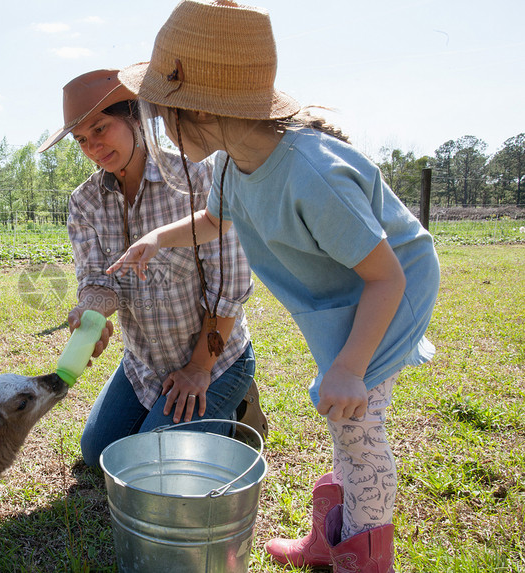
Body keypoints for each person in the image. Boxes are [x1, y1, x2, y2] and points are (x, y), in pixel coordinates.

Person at [108, 2, 440, 571]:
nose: (161, 127)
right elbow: (214, 221)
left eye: (165, 114)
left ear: (201, 107)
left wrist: (350, 367)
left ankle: (367, 555)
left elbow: (387, 275)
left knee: (356, 423)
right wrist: (156, 239)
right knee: (342, 414)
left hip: (386, 295)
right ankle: (329, 535)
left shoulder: (313, 176)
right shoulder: (229, 163)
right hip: (337, 295)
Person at [38, 69, 267, 469]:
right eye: (81, 140)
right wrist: (91, 311)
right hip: (144, 361)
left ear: (136, 117)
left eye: (100, 128)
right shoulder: (86, 201)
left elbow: (229, 284)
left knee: (151, 466)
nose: (92, 146)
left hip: (215, 358)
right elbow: (96, 280)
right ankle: (171, 412)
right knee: (97, 454)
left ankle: (235, 401)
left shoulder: (197, 177)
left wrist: (198, 368)